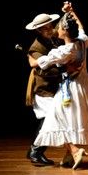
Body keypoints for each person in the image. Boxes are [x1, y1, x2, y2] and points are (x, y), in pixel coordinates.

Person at [29, 1, 88, 169]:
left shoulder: (64, 49)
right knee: (65, 119)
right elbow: (81, 29)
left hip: (71, 88)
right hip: (81, 85)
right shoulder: (81, 42)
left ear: (65, 31)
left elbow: (38, 63)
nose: (55, 29)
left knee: (60, 120)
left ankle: (72, 151)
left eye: (57, 26)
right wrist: (72, 12)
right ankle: (69, 154)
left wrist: (31, 59)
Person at [24, 11, 62, 166]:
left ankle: (34, 150)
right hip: (43, 89)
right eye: (45, 28)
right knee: (49, 120)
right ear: (39, 30)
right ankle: (36, 151)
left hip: (53, 87)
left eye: (50, 26)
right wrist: (63, 67)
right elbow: (43, 69)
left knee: (50, 119)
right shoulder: (36, 48)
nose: (50, 30)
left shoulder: (53, 38)